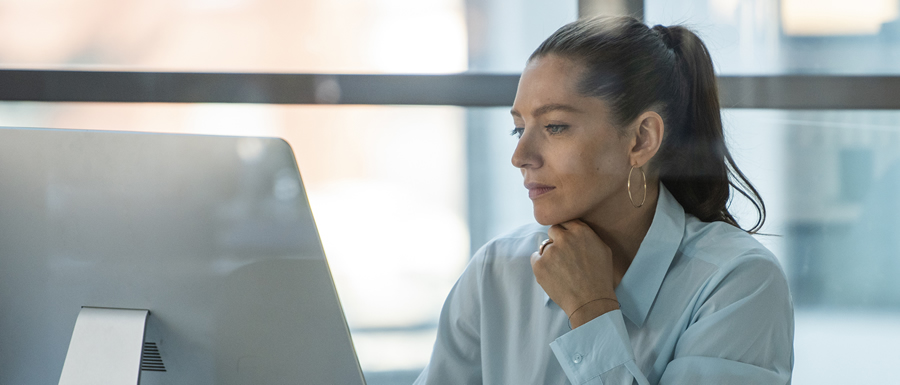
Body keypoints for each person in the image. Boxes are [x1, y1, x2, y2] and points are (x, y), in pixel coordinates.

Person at [414, 15, 793, 385]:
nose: (521, 156)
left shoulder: (738, 282)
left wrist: (591, 311)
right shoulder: (495, 272)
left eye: (554, 127)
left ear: (641, 139)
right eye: (519, 129)